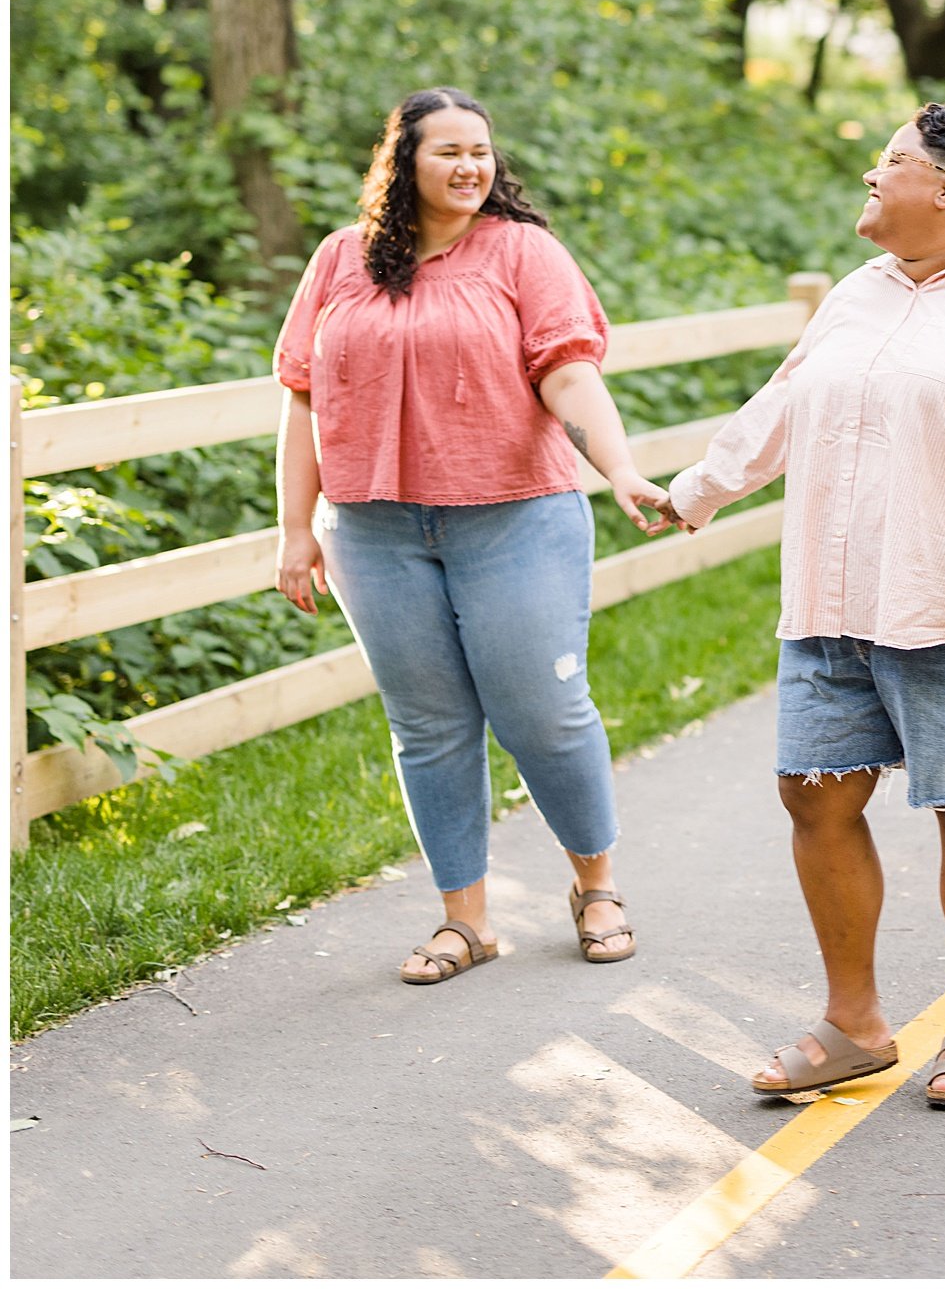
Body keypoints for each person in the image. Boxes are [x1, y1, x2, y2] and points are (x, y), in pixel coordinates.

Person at [665, 103, 945, 1106]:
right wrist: (699, 488)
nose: (872, 174)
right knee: (814, 795)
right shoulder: (857, 294)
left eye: (892, 161)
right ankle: (854, 1021)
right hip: (832, 599)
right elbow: (786, 399)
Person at [274, 86, 671, 982]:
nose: (469, 166)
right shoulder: (341, 261)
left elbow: (569, 372)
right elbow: (301, 401)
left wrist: (621, 467)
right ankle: (467, 919)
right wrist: (295, 529)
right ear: (403, 160)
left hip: (514, 515)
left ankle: (596, 885)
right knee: (427, 724)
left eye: (481, 150)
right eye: (448, 150)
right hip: (373, 528)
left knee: (544, 711)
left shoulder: (524, 252)